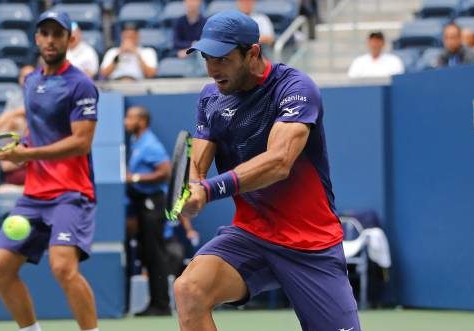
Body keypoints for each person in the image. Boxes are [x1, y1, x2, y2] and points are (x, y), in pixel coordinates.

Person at [174, 10, 361, 331]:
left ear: (253, 53)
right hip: (252, 235)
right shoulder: (211, 98)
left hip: (310, 245)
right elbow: (200, 159)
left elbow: (279, 162)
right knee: (188, 290)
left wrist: (210, 190)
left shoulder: (295, 89)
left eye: (222, 58)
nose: (212, 69)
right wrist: (191, 188)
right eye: (206, 57)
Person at [0, 11, 101, 331]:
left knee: (63, 267)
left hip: (71, 193)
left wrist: (28, 154)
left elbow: (81, 142)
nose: (51, 40)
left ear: (69, 39)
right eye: (45, 33)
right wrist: (18, 150)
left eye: (58, 34)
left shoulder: (81, 85)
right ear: (37, 39)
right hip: (33, 195)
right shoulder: (31, 80)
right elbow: (37, 132)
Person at [124, 105, 172, 316]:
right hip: (143, 203)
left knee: (155, 253)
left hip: (154, 202)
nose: (126, 121)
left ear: (141, 121)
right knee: (147, 253)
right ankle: (155, 302)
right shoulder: (137, 142)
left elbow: (166, 171)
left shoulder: (150, 144)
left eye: (130, 118)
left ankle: (162, 304)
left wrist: (134, 178)